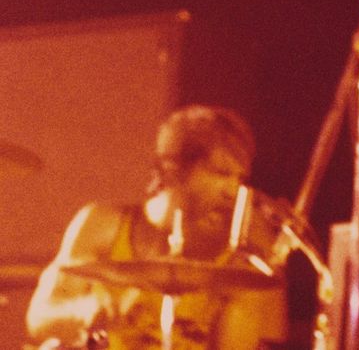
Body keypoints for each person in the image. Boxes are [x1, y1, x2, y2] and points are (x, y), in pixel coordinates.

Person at [26, 105, 288, 349]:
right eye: (221, 173)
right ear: (173, 169)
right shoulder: (102, 224)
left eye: (238, 178)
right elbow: (38, 319)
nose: (233, 190)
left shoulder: (241, 253)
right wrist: (83, 311)